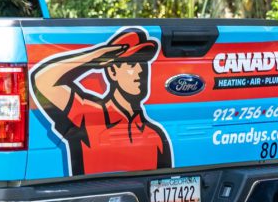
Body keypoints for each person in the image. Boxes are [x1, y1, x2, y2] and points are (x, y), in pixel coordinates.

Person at [32, 26, 173, 175]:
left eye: (143, 63)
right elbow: (43, 82)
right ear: (112, 71)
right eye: (132, 64)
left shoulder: (156, 135)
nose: (140, 70)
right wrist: (93, 58)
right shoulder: (87, 116)